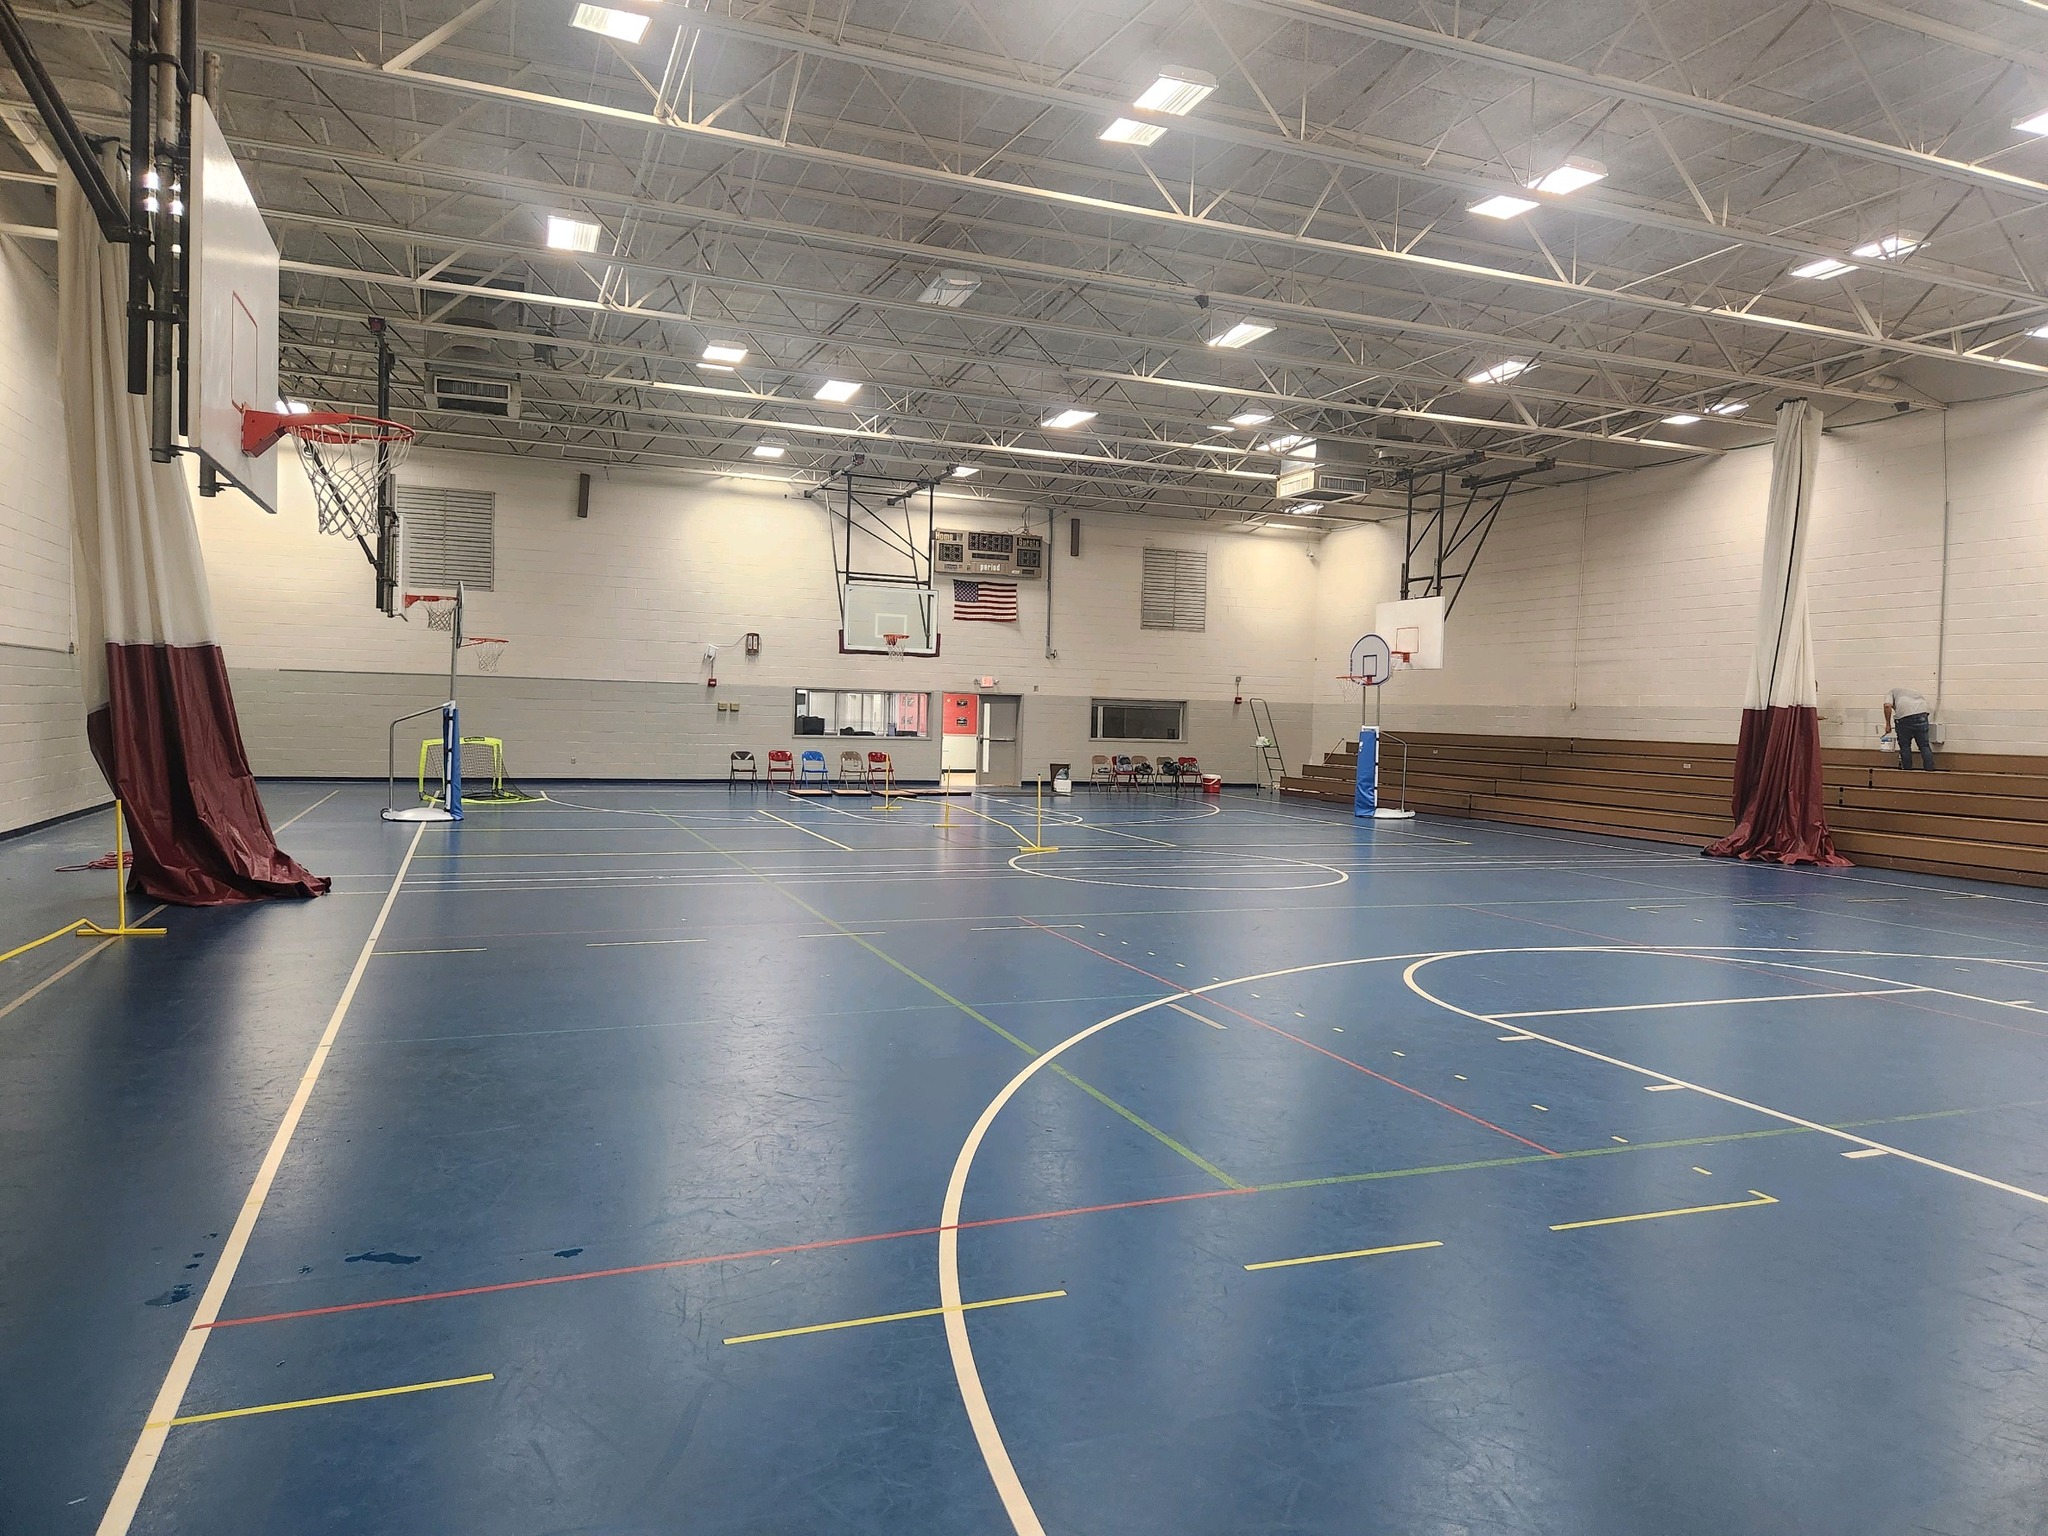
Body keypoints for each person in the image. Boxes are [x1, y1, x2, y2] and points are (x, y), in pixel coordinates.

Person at [1883, 685, 1936, 771]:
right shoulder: (1914, 691)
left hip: (1904, 717)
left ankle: (1907, 772)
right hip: (1922, 714)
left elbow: (1887, 706)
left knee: (1905, 746)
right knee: (1924, 745)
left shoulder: (1891, 693)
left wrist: (1888, 724)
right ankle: (1930, 771)